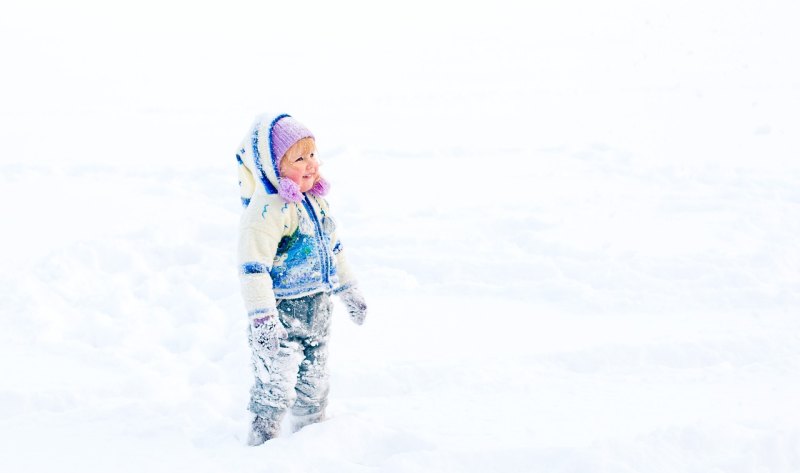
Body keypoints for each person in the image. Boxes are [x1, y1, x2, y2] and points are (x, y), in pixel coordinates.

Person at [235, 113, 367, 445]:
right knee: (275, 386)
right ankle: (260, 444)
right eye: (299, 157)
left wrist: (349, 290)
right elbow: (254, 269)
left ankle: (310, 443)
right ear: (272, 166)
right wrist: (263, 318)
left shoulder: (316, 203)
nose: (310, 164)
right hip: (281, 316)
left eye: (312, 155)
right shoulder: (266, 211)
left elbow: (334, 250)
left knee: (315, 384)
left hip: (318, 311)